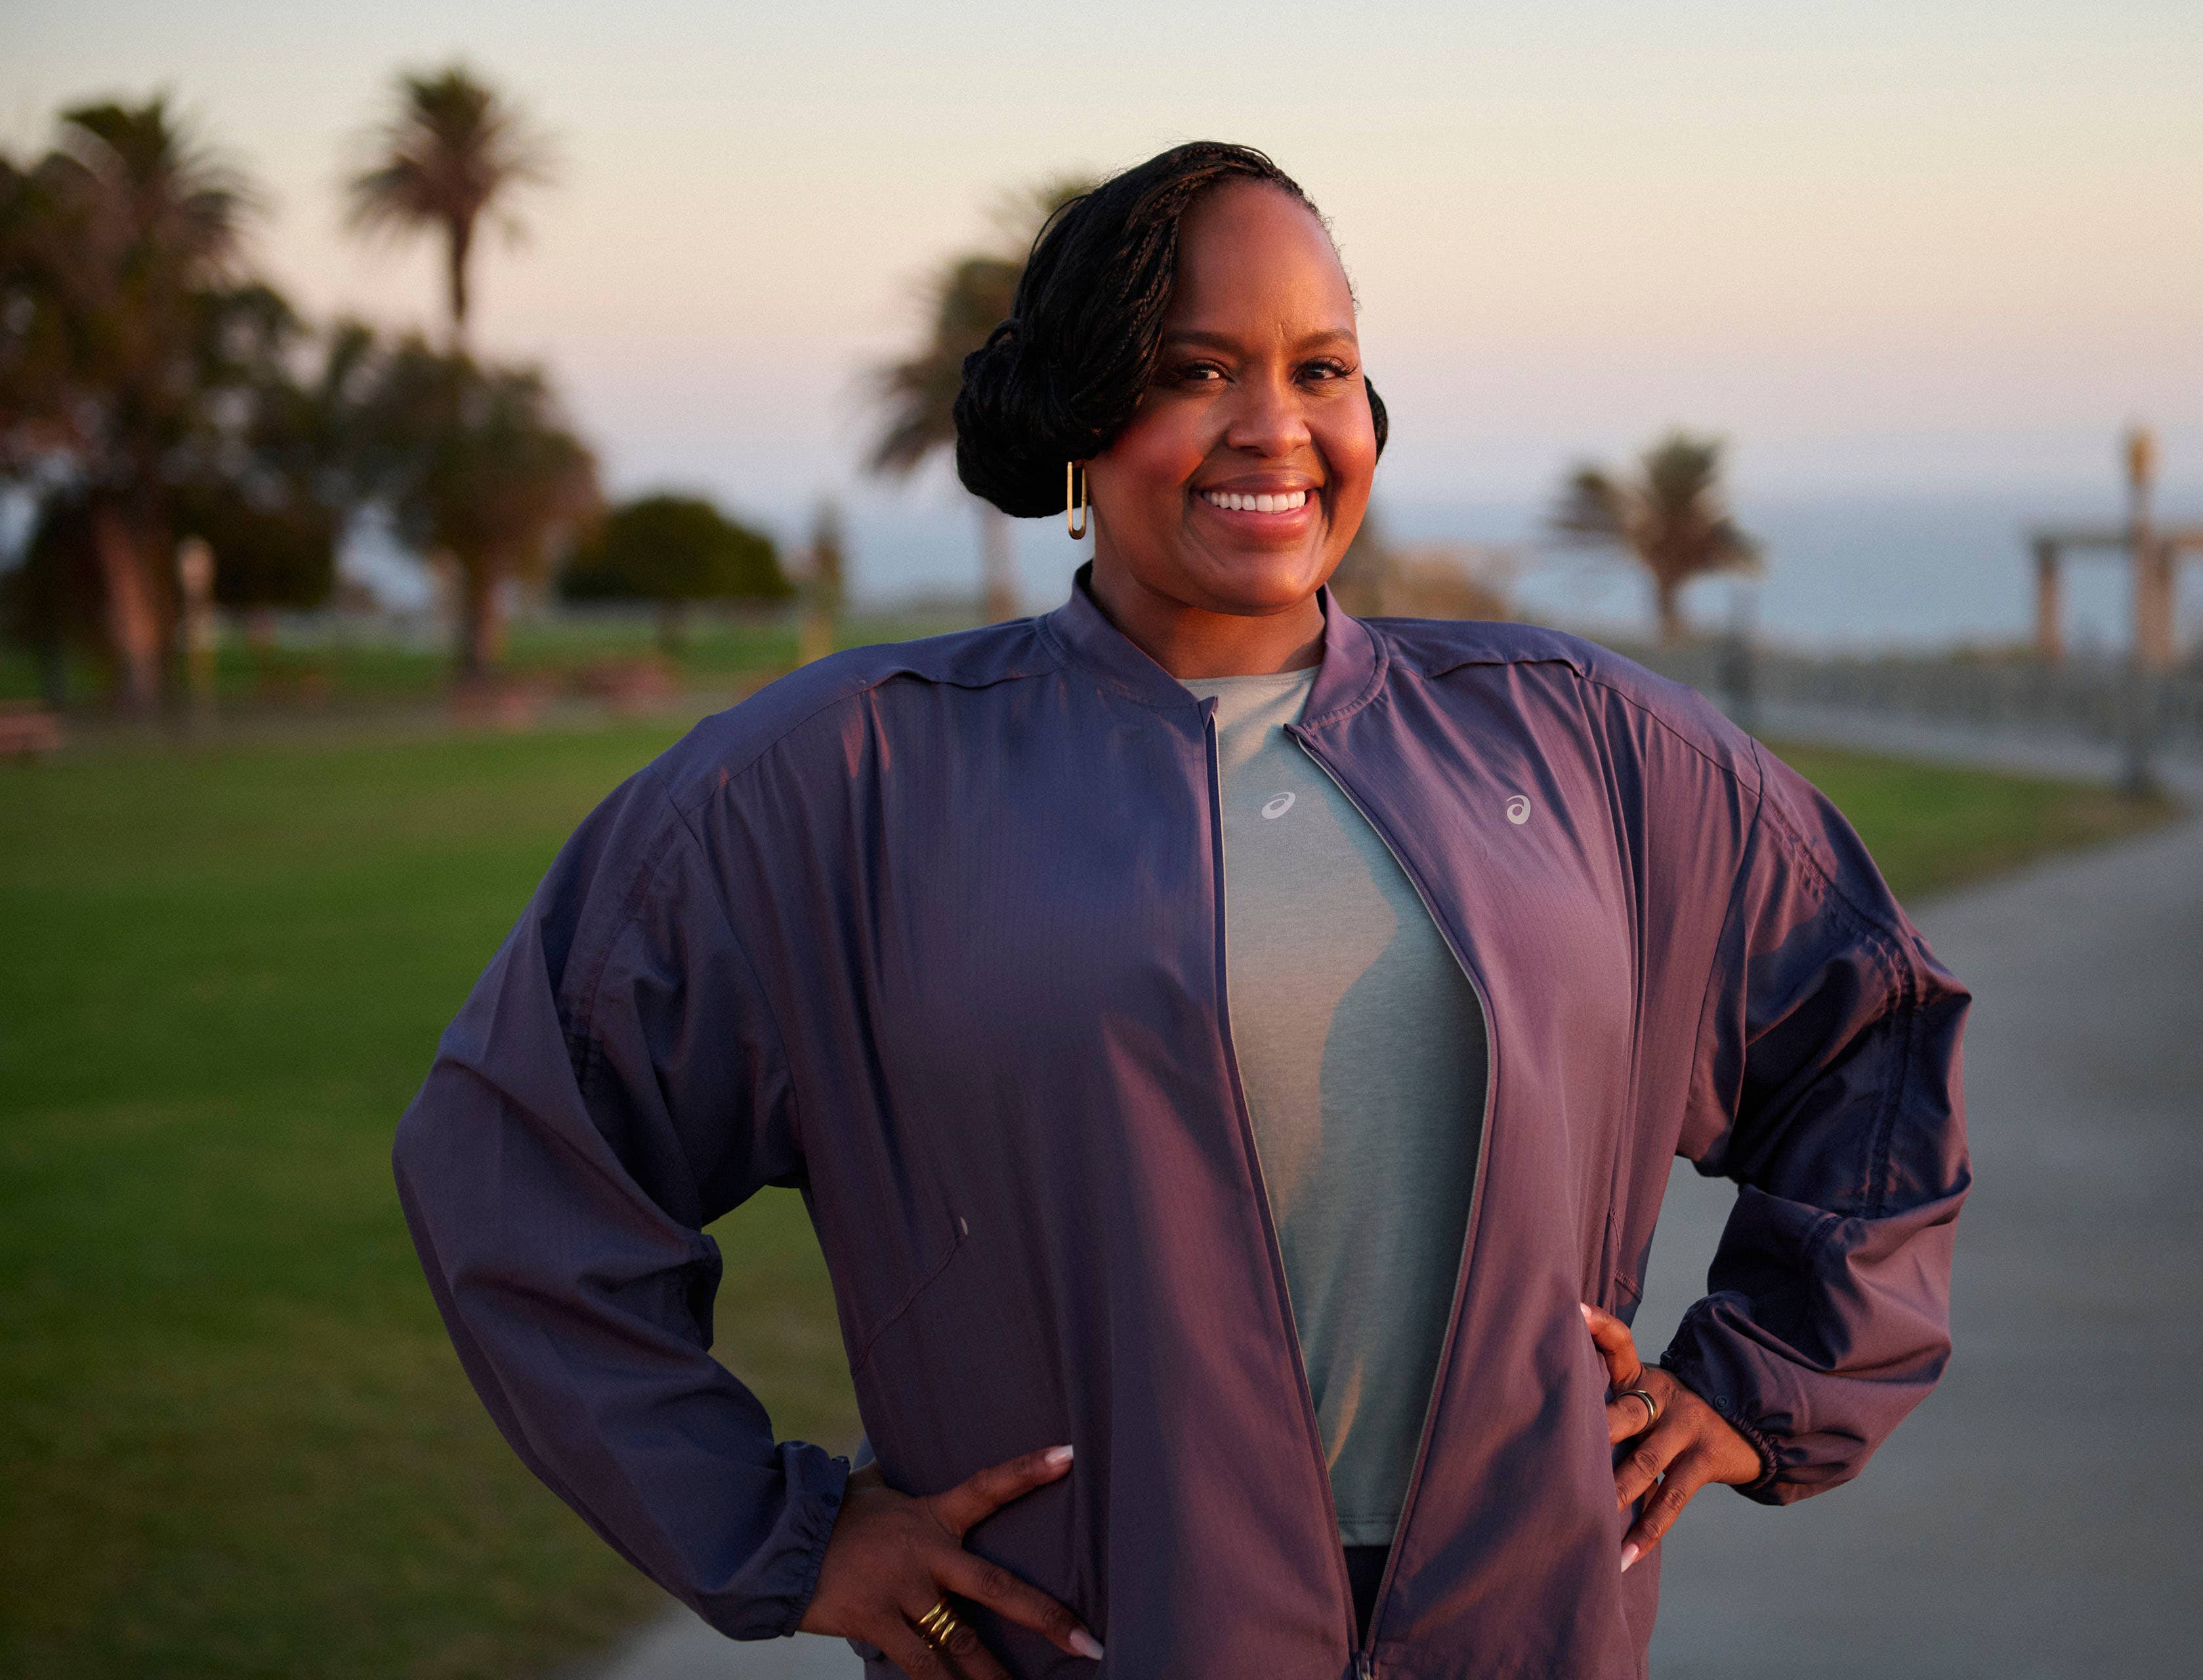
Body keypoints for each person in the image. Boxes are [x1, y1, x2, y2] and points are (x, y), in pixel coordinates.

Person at [391, 140, 1970, 1680]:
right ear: (1082, 418)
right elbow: (518, 1155)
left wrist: (1759, 1381)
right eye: (1198, 367)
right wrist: (782, 1530)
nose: (1273, 427)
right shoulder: (841, 786)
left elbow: (1870, 1036)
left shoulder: (1584, 744)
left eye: (1323, 367)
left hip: (1526, 1628)